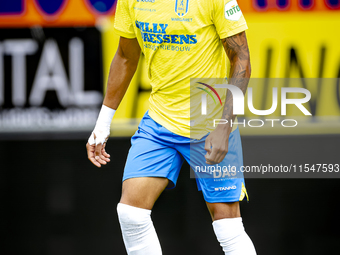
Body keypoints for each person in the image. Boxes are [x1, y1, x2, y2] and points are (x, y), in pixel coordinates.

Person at [86, 0, 256, 254]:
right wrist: (102, 123)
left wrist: (223, 125)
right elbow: (125, 56)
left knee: (228, 227)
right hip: (160, 122)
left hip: (209, 124)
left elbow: (241, 57)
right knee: (131, 213)